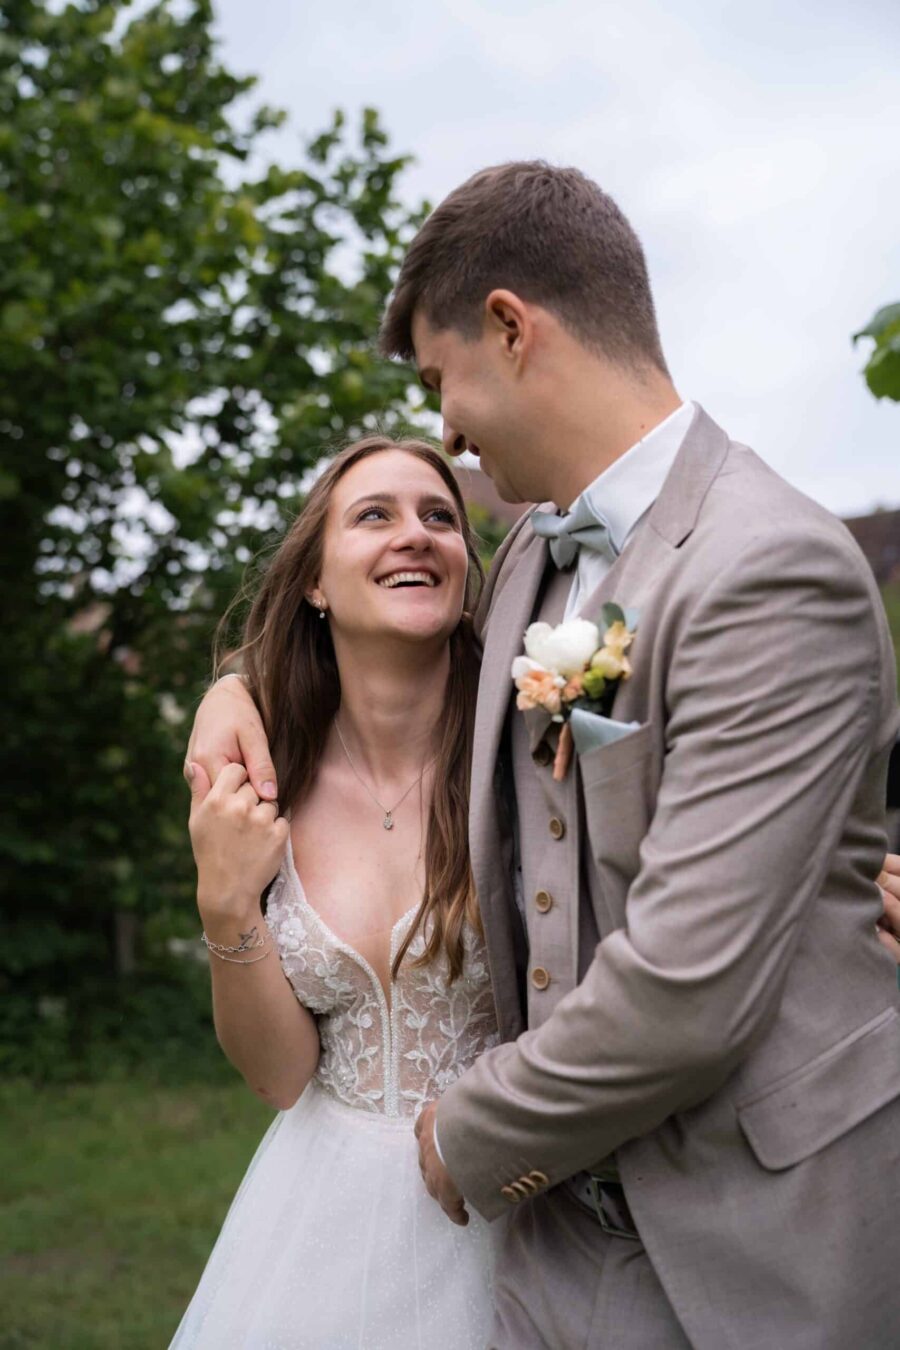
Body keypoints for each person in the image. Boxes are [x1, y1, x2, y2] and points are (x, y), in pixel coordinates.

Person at [188, 163, 900, 1349]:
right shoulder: (529, 563)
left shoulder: (771, 563)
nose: (447, 428)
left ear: (511, 329)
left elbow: (689, 981)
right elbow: (389, 670)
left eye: (441, 379)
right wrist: (228, 694)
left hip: (750, 1235)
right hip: (557, 1252)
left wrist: (471, 1137)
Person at [170, 437, 503, 1348]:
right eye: (375, 516)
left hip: (513, 1201)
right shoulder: (266, 779)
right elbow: (280, 1077)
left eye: (440, 517)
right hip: (314, 1221)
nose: (416, 535)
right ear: (315, 582)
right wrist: (226, 907)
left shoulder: (524, 756)